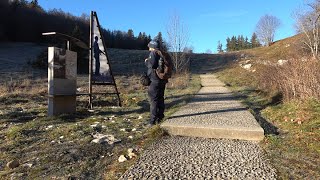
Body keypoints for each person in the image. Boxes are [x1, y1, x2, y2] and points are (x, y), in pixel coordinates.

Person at [145, 40, 168, 126]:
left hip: (154, 80)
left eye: (149, 46)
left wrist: (147, 61)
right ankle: (160, 117)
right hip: (162, 79)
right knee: (160, 98)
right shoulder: (162, 53)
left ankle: (152, 121)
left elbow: (153, 65)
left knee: (153, 100)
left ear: (152, 46)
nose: (149, 48)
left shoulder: (153, 53)